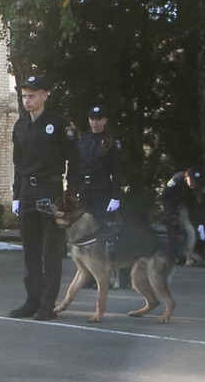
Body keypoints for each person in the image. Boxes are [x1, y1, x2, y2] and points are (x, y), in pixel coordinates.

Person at [9, 75, 79, 321]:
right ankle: (32, 300)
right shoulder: (21, 126)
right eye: (24, 96)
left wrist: (70, 194)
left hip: (50, 189)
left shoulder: (58, 124)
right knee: (30, 249)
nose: (27, 100)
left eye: (32, 96)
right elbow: (18, 163)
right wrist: (17, 194)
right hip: (28, 190)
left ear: (45, 95)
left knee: (50, 250)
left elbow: (74, 159)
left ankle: (47, 304)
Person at [76, 105, 122, 221]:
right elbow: (77, 167)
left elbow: (116, 170)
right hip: (84, 190)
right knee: (83, 223)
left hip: (101, 190)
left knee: (100, 224)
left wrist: (115, 197)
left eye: (98, 119)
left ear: (104, 120)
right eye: (92, 119)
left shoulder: (110, 141)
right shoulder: (83, 140)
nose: (95, 122)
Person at [161, 167, 205, 265]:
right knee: (174, 230)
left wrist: (201, 224)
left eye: (196, 182)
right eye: (192, 181)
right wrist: (170, 212)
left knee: (191, 232)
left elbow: (202, 208)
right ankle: (174, 255)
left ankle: (188, 258)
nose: (194, 184)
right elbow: (165, 196)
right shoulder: (177, 179)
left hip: (187, 208)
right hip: (172, 205)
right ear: (187, 177)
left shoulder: (200, 189)